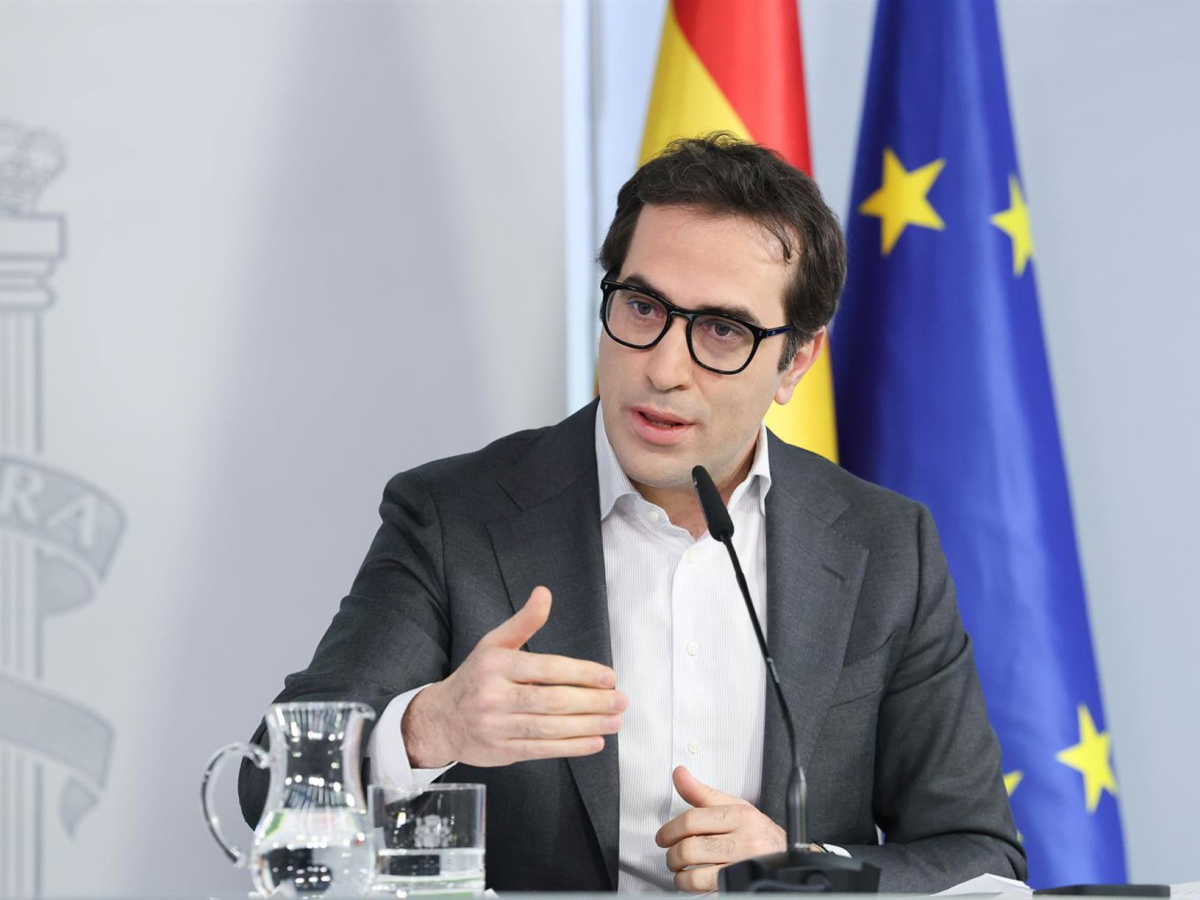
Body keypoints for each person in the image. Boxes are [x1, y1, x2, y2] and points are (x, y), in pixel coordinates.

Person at [239, 134, 1025, 893]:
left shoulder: (884, 546)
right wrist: (429, 726)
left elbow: (980, 856)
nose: (664, 367)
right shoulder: (454, 518)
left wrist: (804, 872)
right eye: (643, 306)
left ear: (796, 362)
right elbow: (266, 783)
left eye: (723, 330)